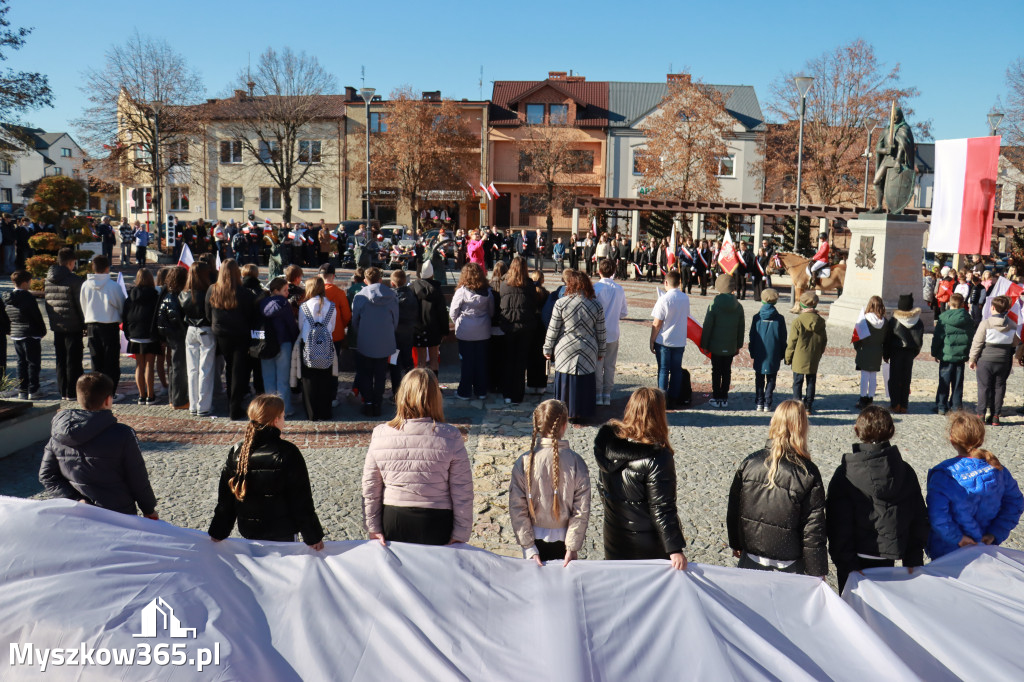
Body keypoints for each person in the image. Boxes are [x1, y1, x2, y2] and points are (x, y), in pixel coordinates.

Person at [361, 368, 474, 545]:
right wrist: (461, 532)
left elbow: (370, 487)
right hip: (436, 519)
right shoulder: (450, 435)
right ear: (436, 398)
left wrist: (373, 526)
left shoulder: (380, 434)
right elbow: (462, 490)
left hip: (393, 517)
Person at [826, 406, 928, 592]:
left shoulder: (846, 473)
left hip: (855, 559)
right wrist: (913, 559)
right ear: (892, 432)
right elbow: (918, 517)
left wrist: (846, 564)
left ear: (857, 431)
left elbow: (837, 523)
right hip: (889, 557)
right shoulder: (905, 471)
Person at [207, 394, 324, 549]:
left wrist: (218, 531)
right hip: (283, 535)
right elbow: (301, 500)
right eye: (283, 416)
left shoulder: (238, 451)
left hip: (249, 534)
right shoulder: (288, 452)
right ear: (276, 420)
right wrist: (313, 536)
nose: (284, 420)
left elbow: (226, 498)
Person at [727, 400, 826, 577]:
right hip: (789, 562)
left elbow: (734, 509)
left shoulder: (750, 463)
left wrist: (735, 543)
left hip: (752, 555)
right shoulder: (807, 472)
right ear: (802, 427)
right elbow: (813, 529)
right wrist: (817, 572)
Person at [38, 372, 158, 518]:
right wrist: (149, 509)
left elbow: (47, 475)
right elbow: (137, 478)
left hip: (78, 513)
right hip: (118, 512)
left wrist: (76, 500)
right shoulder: (123, 434)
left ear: (79, 398)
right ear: (108, 400)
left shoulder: (58, 433)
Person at [593, 387, 687, 569]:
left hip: (614, 536)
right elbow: (662, 508)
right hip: (646, 545)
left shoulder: (608, 447)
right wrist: (675, 548)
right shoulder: (657, 458)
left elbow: (603, 492)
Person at [926, 411, 1023, 560]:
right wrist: (995, 533)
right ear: (982, 439)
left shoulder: (944, 475)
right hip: (985, 546)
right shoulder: (998, 469)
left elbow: (938, 516)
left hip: (948, 550)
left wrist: (958, 538)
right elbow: (1015, 503)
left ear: (952, 439)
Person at [509, 399, 591, 565]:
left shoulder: (524, 462)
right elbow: (581, 509)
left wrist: (529, 547)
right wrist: (572, 546)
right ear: (564, 425)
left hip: (534, 541)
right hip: (565, 542)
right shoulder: (576, 462)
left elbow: (517, 507)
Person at [543, 269, 606, 422]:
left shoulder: (561, 303)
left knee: (566, 381)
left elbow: (553, 329)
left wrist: (547, 348)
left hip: (565, 348)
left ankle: (564, 412)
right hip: (588, 347)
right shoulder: (596, 305)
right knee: (585, 381)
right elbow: (601, 331)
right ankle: (583, 412)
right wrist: (601, 350)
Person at [206, 260, 258, 420]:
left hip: (221, 333)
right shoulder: (245, 293)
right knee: (238, 371)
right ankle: (234, 407)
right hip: (240, 334)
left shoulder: (212, 290)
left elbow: (208, 313)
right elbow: (251, 317)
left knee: (230, 369)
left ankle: (232, 403)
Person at [351, 267, 398, 417]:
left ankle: (369, 403)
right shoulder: (391, 295)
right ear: (380, 279)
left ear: (365, 281)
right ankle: (377, 403)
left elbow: (355, 321)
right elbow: (395, 319)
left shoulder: (360, 296)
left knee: (365, 373)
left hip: (365, 339)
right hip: (385, 340)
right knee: (380, 374)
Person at [969, 294, 1020, 426]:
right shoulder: (1012, 324)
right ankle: (995, 415)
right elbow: (1015, 342)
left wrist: (972, 359)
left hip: (986, 360)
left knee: (983, 387)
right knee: (999, 387)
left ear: (992, 308)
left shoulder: (986, 323)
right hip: (1004, 360)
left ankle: (980, 414)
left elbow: (977, 343)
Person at [80, 255, 125, 395]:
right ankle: (110, 392)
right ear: (107, 268)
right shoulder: (113, 286)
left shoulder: (85, 285)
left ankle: (97, 392)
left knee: (96, 360)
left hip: (92, 325)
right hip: (110, 325)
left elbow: (83, 305)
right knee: (111, 362)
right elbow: (121, 305)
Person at [44, 248, 85, 401]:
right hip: (73, 325)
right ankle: (73, 392)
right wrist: (84, 324)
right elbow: (80, 306)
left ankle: (63, 391)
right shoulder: (75, 280)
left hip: (57, 325)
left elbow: (48, 303)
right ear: (70, 262)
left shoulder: (48, 279)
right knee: (73, 360)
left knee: (60, 359)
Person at [294, 276, 337, 421]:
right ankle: (325, 411)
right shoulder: (331, 305)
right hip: (326, 345)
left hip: (308, 345)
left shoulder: (304, 307)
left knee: (309, 380)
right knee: (325, 379)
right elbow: (333, 326)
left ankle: (312, 412)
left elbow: (300, 326)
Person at [449, 262, 493, 400]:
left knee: (467, 362)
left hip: (465, 331)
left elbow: (453, 312)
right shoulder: (488, 292)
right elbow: (491, 311)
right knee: (481, 362)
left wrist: (459, 322)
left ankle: (465, 391)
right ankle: (481, 390)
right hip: (483, 331)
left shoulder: (461, 292)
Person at [701, 274, 745, 408]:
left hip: (715, 344)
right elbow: (741, 328)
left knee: (716, 371)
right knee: (727, 371)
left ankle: (716, 397)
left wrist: (704, 344)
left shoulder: (714, 304)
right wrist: (738, 345)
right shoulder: (738, 306)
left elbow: (708, 326)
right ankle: (724, 397)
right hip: (730, 344)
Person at [499, 257, 538, 405]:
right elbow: (533, 305)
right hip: (525, 327)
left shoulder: (504, 284)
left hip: (509, 326)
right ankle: (517, 394)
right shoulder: (529, 285)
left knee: (508, 360)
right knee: (520, 362)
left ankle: (507, 393)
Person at [258, 277, 299, 417]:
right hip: (283, 342)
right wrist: (295, 338)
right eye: (285, 290)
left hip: (265, 344)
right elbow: (291, 324)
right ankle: (284, 409)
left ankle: (270, 410)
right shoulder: (283, 304)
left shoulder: (262, 303)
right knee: (283, 379)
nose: (287, 293)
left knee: (268, 378)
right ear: (276, 291)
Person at [649, 269, 689, 408]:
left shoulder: (664, 299)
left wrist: (652, 340)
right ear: (679, 283)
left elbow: (657, 323)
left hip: (664, 340)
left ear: (666, 282)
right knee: (676, 370)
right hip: (679, 340)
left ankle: (661, 399)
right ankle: (674, 397)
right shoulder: (685, 298)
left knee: (664, 370)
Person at [931, 293, 975, 416]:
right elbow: (970, 336)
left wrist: (935, 352)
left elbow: (938, 337)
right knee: (957, 382)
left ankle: (941, 406)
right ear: (962, 304)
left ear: (949, 303)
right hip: (960, 355)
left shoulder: (943, 317)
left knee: (944, 380)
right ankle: (956, 406)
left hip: (946, 354)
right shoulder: (967, 318)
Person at [785, 291, 827, 415]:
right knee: (811, 381)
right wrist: (819, 352)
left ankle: (797, 404)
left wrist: (788, 357)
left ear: (802, 304)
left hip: (799, 356)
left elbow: (792, 341)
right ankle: (808, 406)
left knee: (797, 381)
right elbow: (824, 340)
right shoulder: (821, 321)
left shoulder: (798, 321)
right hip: (813, 355)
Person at [181, 262, 215, 417]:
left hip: (190, 330)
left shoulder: (184, 293)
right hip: (205, 329)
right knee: (205, 370)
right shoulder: (207, 292)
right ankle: (203, 406)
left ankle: (194, 405)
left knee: (192, 370)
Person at [5, 270, 45, 399]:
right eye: (29, 282)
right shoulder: (27, 297)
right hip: (30, 333)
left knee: (21, 363)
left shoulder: (8, 298)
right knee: (33, 363)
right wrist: (42, 330)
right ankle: (33, 389)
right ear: (24, 283)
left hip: (16, 333)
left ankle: (22, 389)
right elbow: (36, 316)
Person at [123, 268, 162, 405]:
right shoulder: (155, 296)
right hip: (150, 334)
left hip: (134, 333)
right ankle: (151, 396)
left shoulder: (130, 296)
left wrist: (127, 332)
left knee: (139, 365)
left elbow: (125, 315)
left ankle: (141, 395)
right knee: (149, 365)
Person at [593, 259, 628, 407]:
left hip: (597, 331)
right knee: (610, 365)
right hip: (613, 331)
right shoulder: (619, 289)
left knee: (597, 364)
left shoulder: (596, 288)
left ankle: (598, 393)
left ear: (599, 271)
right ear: (614, 271)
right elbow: (624, 312)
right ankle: (607, 394)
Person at [318, 263, 353, 406]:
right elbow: (346, 316)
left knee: (317, 365)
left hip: (317, 336)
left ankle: (319, 393)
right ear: (333, 276)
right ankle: (332, 396)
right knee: (333, 366)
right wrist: (341, 326)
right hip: (335, 335)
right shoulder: (339, 293)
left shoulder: (313, 291)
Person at [883, 294, 924, 414]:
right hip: (910, 352)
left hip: (896, 351)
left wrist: (886, 354)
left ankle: (895, 404)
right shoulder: (918, 321)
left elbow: (888, 339)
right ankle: (904, 405)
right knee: (906, 379)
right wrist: (915, 352)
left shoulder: (894, 320)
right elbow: (919, 340)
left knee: (894, 379)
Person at [155, 266, 188, 409]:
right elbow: (175, 318)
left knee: (174, 367)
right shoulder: (174, 297)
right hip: (177, 335)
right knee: (178, 368)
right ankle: (178, 400)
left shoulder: (167, 294)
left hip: (171, 334)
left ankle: (173, 398)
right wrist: (184, 331)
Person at [749, 288, 786, 412]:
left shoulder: (756, 317)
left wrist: (752, 351)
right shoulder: (780, 319)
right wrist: (782, 353)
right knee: (771, 378)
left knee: (759, 377)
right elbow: (783, 338)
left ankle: (759, 402)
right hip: (774, 352)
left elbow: (752, 336)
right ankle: (768, 403)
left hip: (760, 351)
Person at [409, 262, 448, 378]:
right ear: (432, 275)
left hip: (418, 328)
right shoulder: (437, 289)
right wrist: (444, 330)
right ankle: (434, 385)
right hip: (434, 328)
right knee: (434, 359)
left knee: (420, 360)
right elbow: (442, 312)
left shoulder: (412, 288)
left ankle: (420, 385)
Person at [388, 268, 419, 396]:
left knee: (394, 364)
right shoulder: (412, 295)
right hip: (408, 333)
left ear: (392, 283)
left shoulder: (391, 296)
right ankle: (410, 391)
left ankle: (396, 392)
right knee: (408, 363)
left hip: (394, 335)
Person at [854, 296, 887, 410]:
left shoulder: (865, 320)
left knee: (864, 375)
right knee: (873, 376)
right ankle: (870, 398)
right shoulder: (884, 321)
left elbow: (857, 336)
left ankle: (863, 399)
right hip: (877, 350)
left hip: (865, 349)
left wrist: (857, 347)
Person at [525, 270, 550, 396]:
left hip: (531, 324)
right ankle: (541, 384)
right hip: (543, 327)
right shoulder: (546, 294)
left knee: (531, 355)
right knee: (541, 356)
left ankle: (531, 383)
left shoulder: (529, 292)